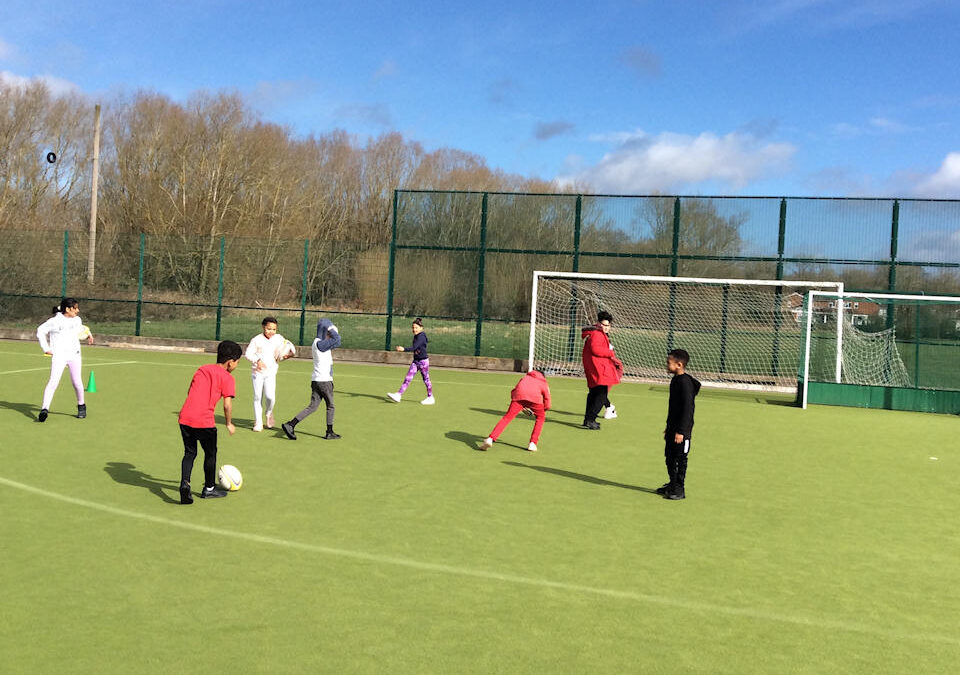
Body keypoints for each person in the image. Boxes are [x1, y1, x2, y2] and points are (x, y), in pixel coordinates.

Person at [177, 340, 242, 505]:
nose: (236, 366)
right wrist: (229, 423)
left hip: (185, 418)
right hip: (204, 422)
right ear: (230, 362)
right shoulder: (227, 378)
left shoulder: (202, 369)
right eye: (237, 362)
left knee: (190, 453)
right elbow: (227, 404)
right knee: (210, 453)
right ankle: (209, 489)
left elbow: (190, 391)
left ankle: (185, 483)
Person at [36, 297, 94, 422]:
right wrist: (45, 348)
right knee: (53, 382)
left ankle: (81, 405)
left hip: (74, 355)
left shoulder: (77, 320)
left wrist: (88, 333)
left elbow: (80, 329)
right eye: (75, 308)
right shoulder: (54, 321)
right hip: (59, 356)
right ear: (67, 309)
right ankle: (44, 409)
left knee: (77, 382)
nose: (78, 310)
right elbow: (40, 331)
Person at [282, 318, 341, 440]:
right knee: (331, 406)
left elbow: (336, 342)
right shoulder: (321, 344)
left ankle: (291, 424)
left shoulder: (318, 343)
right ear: (326, 333)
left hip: (316, 381)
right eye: (329, 334)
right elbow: (337, 339)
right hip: (324, 381)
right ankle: (329, 432)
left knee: (313, 407)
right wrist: (329, 326)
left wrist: (328, 328)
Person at [657, 349, 701, 501]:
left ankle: (679, 488)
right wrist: (669, 428)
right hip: (672, 429)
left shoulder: (685, 384)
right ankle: (672, 483)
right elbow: (674, 408)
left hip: (682, 432)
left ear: (679, 365)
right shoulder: (675, 380)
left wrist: (681, 431)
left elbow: (687, 410)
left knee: (680, 459)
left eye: (669, 363)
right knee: (669, 457)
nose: (666, 365)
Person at [481, 369, 551, 452]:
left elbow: (515, 390)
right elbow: (547, 398)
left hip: (518, 397)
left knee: (507, 418)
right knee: (540, 418)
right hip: (535, 400)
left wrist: (517, 402)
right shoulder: (543, 382)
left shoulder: (525, 377)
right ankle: (533, 443)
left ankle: (490, 438)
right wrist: (545, 409)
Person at [244, 316, 294, 432]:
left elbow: (281, 354)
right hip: (257, 372)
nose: (271, 331)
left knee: (270, 397)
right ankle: (258, 422)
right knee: (257, 397)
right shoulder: (256, 339)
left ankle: (269, 412)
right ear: (263, 327)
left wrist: (288, 355)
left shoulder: (279, 339)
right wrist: (257, 361)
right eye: (269, 329)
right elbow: (248, 354)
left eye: (274, 329)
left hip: (271, 373)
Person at [580, 310, 623, 429]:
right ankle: (591, 419)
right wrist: (610, 352)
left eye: (608, 325)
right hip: (598, 369)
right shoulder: (597, 334)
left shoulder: (596, 333)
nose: (606, 327)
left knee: (594, 394)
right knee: (601, 395)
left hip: (596, 368)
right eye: (604, 325)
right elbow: (595, 349)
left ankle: (588, 419)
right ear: (599, 324)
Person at [387, 317, 434, 405]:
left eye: (416, 328)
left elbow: (414, 347)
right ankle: (398, 395)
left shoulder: (422, 336)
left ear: (421, 328)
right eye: (413, 327)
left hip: (423, 362)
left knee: (426, 380)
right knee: (408, 378)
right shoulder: (416, 336)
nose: (414, 329)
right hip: (416, 361)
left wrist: (403, 349)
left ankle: (430, 397)